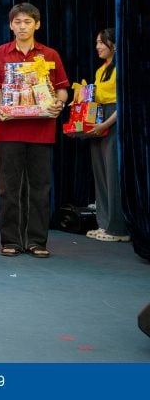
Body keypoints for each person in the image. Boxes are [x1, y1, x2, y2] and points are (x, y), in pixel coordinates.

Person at [0, 2, 69, 258]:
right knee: (8, 188)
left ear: (37, 24)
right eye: (18, 22)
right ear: (11, 25)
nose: (22, 27)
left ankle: (37, 241)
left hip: (41, 130)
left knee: (40, 188)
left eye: (27, 22)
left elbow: (62, 89)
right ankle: (10, 241)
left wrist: (59, 103)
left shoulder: (50, 55)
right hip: (9, 130)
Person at [86, 28, 128, 242]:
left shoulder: (122, 68)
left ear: (114, 44)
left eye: (102, 42)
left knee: (112, 175)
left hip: (113, 120)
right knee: (100, 174)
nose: (98, 47)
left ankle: (118, 228)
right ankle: (104, 223)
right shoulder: (101, 69)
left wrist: (106, 124)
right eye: (97, 42)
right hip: (99, 119)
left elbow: (123, 102)